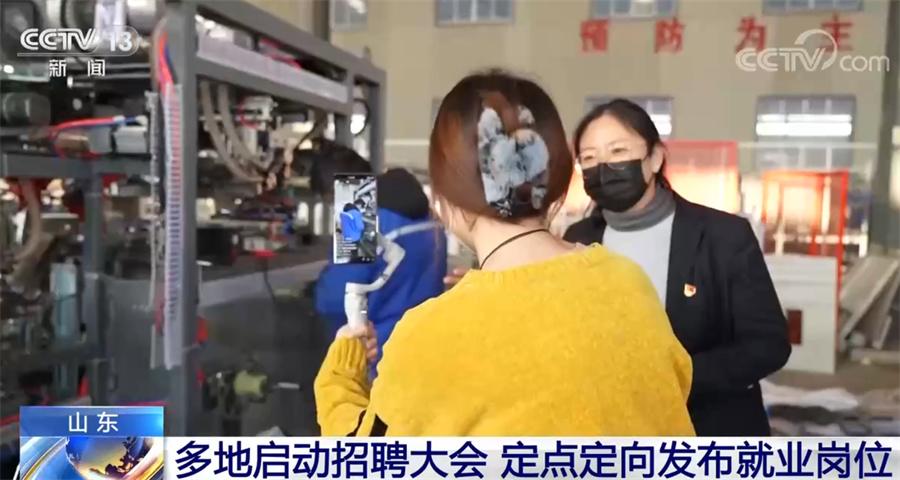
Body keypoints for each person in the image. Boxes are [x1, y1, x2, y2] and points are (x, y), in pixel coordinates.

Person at [314, 70, 695, 436]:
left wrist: (344, 364)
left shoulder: (355, 207)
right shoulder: (629, 282)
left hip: (405, 366)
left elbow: (336, 297)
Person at [564, 98, 791, 436]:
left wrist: (672, 378)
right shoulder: (577, 239)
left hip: (708, 429)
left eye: (618, 151)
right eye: (589, 158)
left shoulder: (723, 236)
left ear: (655, 158)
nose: (604, 167)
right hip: (613, 428)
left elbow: (768, 345)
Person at [314, 158, 447, 377]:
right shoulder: (427, 215)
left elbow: (336, 299)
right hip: (425, 351)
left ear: (336, 191)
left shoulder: (357, 213)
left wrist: (318, 289)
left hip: (377, 358)